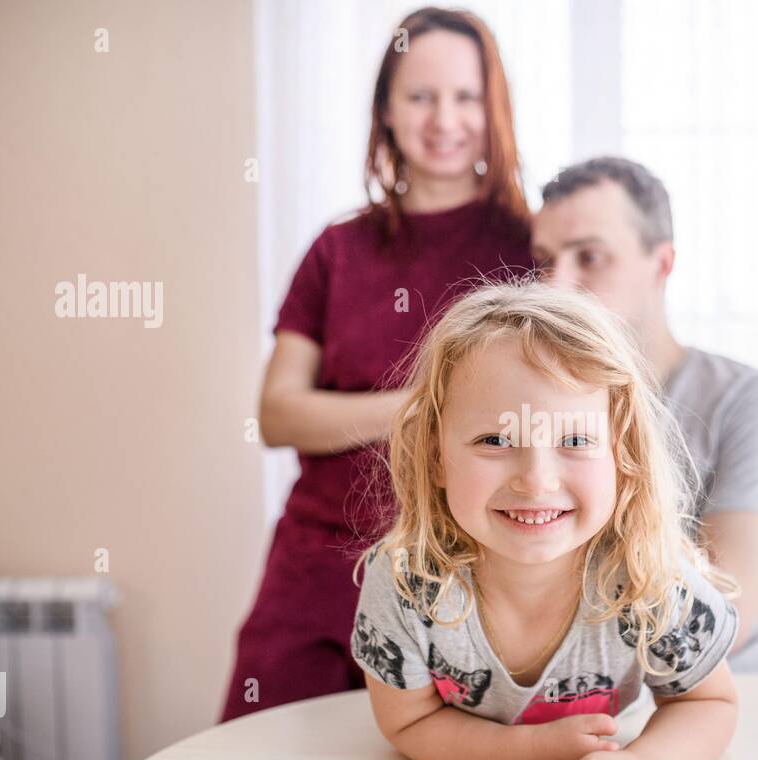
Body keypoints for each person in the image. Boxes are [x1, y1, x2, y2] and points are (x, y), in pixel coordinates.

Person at [220, 7, 532, 722]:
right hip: (315, 571)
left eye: (465, 96)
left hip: (463, 578)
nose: (443, 119)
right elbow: (278, 414)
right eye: (420, 96)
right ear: (386, 110)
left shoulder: (529, 249)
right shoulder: (338, 249)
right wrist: (427, 406)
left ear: (494, 107)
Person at [350, 282, 740, 760]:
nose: (536, 479)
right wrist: (531, 749)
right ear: (436, 457)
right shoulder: (409, 581)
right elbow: (407, 721)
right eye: (494, 439)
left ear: (622, 455)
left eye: (576, 439)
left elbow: (710, 703)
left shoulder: (648, 576)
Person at [532, 157, 758, 673]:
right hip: (603, 719)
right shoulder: (540, 410)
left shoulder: (754, 404)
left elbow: (721, 617)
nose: (555, 286)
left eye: (589, 257)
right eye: (545, 260)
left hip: (746, 715)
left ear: (661, 264)